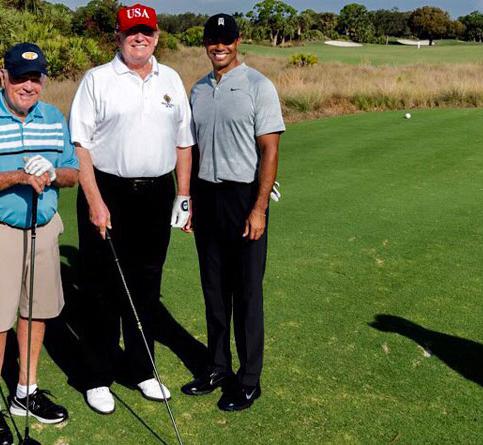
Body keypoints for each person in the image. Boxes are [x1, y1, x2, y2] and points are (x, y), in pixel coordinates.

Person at [69, 3, 195, 414]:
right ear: (118, 38)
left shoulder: (171, 79)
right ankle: (97, 376)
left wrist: (183, 195)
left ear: (156, 36)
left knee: (146, 285)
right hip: (108, 190)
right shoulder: (97, 80)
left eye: (146, 32)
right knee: (103, 286)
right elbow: (81, 145)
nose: (139, 38)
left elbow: (183, 142)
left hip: (158, 192)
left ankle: (143, 370)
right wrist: (94, 200)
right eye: (131, 33)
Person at [0, 42, 79, 444]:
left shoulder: (55, 118)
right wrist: (19, 175)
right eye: (20, 77)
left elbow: (74, 172)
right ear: (3, 76)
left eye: (36, 76)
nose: (29, 85)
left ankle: (26, 392)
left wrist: (54, 173)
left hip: (43, 229)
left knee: (35, 312)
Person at [182, 13, 285, 412]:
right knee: (214, 291)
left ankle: (248, 379)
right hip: (208, 198)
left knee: (246, 294)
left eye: (226, 39)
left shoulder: (259, 86)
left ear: (238, 41)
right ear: (206, 44)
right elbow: (190, 149)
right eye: (212, 40)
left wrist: (259, 208)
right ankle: (217, 368)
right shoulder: (199, 89)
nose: (219, 46)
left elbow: (270, 149)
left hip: (245, 198)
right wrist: (187, 199)